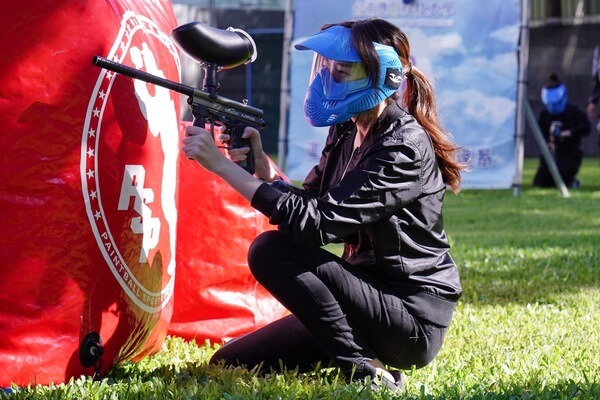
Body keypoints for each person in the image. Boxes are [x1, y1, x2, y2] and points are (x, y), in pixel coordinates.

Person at [182, 18, 465, 391]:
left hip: (409, 318)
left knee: (270, 249)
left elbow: (317, 226)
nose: (328, 79)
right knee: (232, 361)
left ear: (384, 75)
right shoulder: (348, 129)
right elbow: (311, 204)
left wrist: (219, 167)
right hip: (361, 299)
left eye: (342, 71)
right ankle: (356, 352)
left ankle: (366, 370)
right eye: (326, 69)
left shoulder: (403, 147)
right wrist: (265, 171)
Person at [533, 73, 590, 188]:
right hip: (551, 154)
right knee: (541, 183)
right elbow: (541, 134)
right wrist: (548, 143)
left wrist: (568, 133)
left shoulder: (573, 112)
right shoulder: (544, 115)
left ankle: (571, 180)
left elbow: (586, 127)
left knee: (563, 173)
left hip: (570, 153)